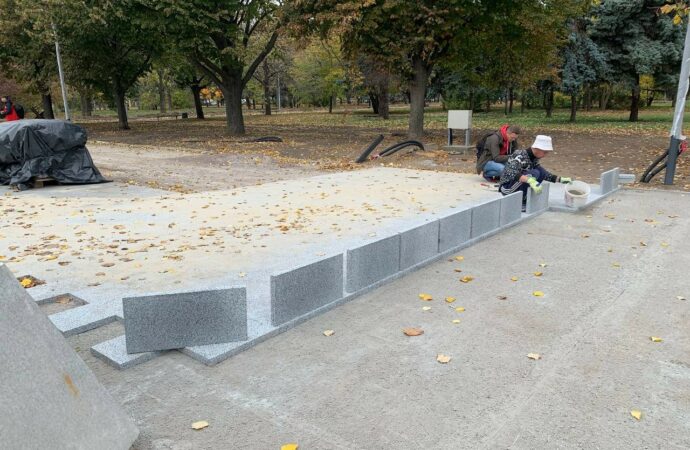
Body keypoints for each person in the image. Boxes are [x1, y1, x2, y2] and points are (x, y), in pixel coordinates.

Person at [498, 135, 572, 204]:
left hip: (516, 185)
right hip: (507, 188)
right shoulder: (519, 155)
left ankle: (526, 196)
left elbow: (543, 173)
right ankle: (521, 200)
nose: (545, 155)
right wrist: (529, 180)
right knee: (534, 173)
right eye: (545, 152)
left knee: (540, 172)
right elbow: (510, 172)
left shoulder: (534, 158)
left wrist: (559, 179)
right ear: (537, 148)